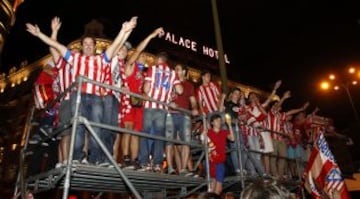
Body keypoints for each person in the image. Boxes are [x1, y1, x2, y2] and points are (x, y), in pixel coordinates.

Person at [26, 16, 137, 165]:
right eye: (85, 43)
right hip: (77, 96)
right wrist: (40, 34)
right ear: (82, 46)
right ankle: (77, 157)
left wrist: (124, 30)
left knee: (95, 126)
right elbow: (55, 46)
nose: (88, 46)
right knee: (77, 127)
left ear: (94, 46)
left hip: (97, 97)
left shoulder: (102, 59)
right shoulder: (74, 57)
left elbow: (116, 45)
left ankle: (96, 157)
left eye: (91, 44)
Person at [118, 27, 165, 169]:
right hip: (128, 101)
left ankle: (134, 159)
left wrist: (146, 95)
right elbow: (138, 50)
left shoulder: (144, 74)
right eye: (143, 56)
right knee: (128, 129)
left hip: (139, 105)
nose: (145, 58)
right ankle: (125, 157)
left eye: (145, 57)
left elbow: (145, 91)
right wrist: (151, 35)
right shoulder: (129, 66)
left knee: (137, 133)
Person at [138, 51, 183, 172]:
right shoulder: (173, 73)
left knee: (144, 133)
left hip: (150, 105)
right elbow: (180, 90)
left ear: (158, 59)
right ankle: (158, 163)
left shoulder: (153, 69)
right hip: (162, 108)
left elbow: (146, 88)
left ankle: (144, 162)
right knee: (159, 135)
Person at [165, 63, 198, 175]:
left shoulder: (189, 85)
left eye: (178, 69)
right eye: (175, 69)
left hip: (184, 115)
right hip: (170, 113)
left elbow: (193, 101)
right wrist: (169, 103)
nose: (175, 71)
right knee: (170, 141)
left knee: (186, 142)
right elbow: (163, 96)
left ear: (184, 71)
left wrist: (194, 108)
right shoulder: (170, 82)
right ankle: (170, 168)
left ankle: (183, 169)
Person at [202, 113, 235, 195]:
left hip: (220, 163)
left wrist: (229, 125)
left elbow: (232, 139)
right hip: (210, 162)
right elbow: (203, 143)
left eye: (220, 120)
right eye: (217, 120)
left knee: (218, 189)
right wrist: (203, 134)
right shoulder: (208, 133)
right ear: (212, 122)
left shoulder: (224, 132)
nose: (219, 122)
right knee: (211, 189)